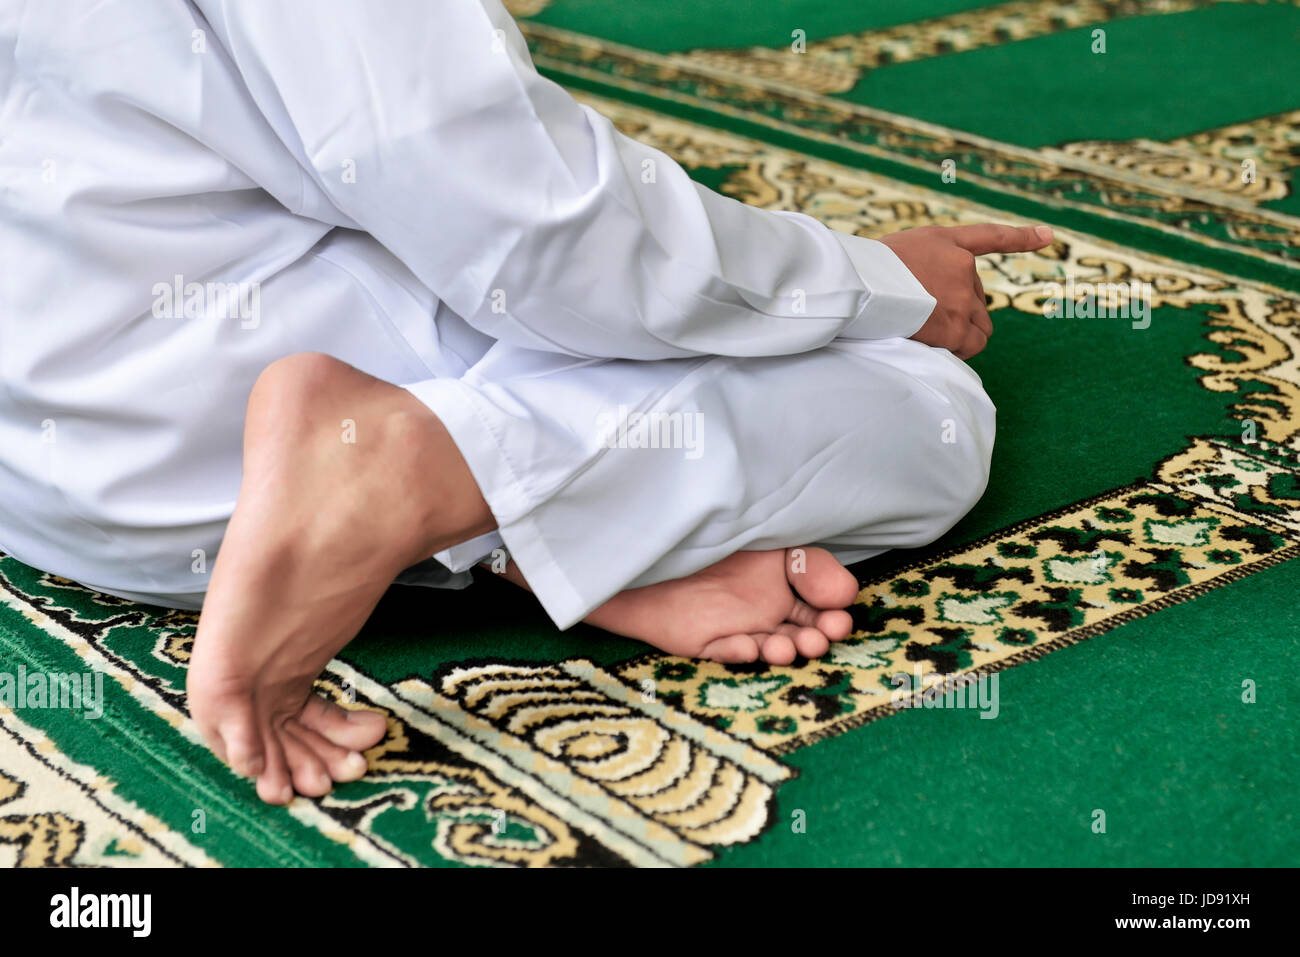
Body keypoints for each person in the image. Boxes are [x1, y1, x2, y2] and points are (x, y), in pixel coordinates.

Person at [0, 0, 1052, 804]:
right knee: (922, 407)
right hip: (213, 426)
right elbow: (545, 234)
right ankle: (422, 470)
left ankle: (535, 541)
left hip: (50, 481)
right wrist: (877, 279)